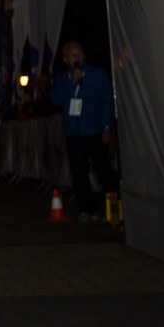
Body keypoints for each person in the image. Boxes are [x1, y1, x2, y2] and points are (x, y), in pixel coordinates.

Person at [49, 40, 120, 223]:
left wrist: (107, 126)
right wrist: (72, 83)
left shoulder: (97, 75)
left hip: (94, 130)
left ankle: (114, 208)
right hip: (73, 133)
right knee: (78, 171)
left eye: (79, 54)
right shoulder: (62, 79)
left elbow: (107, 101)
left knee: (103, 168)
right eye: (72, 55)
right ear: (65, 59)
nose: (77, 57)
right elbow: (56, 100)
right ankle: (87, 209)